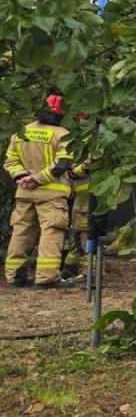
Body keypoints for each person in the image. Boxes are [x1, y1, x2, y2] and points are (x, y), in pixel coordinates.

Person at [4, 94, 81, 289]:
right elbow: (62, 165)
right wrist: (37, 179)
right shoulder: (63, 134)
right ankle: (47, 277)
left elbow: (10, 161)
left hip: (24, 193)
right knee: (51, 232)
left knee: (21, 232)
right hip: (52, 194)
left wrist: (22, 178)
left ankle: (14, 277)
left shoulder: (22, 132)